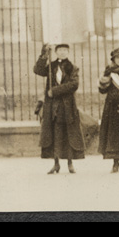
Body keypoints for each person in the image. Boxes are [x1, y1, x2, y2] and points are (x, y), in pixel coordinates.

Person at [34, 43, 85, 174]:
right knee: (55, 134)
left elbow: (74, 84)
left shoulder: (73, 67)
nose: (62, 52)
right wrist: (44, 54)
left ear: (68, 52)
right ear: (56, 52)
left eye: (65, 50)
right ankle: (56, 163)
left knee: (68, 134)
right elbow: (37, 70)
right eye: (60, 50)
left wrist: (55, 91)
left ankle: (70, 163)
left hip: (67, 106)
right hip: (52, 107)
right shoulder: (51, 66)